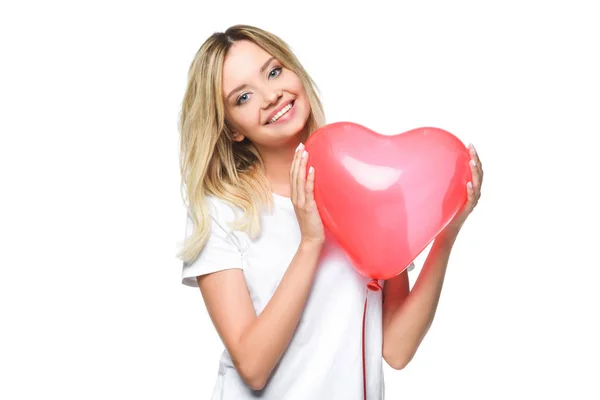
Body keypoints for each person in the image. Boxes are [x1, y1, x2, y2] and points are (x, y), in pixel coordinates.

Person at [176, 24, 483, 400]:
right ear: (232, 130)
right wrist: (310, 243)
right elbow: (253, 368)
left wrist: (445, 233)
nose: (271, 95)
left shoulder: (366, 186)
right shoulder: (222, 209)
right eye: (243, 97)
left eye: (273, 72)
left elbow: (397, 349)